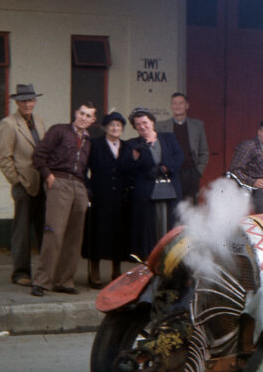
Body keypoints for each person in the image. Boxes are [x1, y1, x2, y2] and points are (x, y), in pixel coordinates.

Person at [30, 101, 97, 296]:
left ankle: (63, 280)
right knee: (54, 232)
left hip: (79, 186)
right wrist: (48, 177)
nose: (84, 118)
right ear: (76, 113)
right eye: (82, 113)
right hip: (59, 182)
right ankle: (42, 281)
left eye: (88, 116)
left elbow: (86, 168)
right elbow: (39, 154)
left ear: (92, 120)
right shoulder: (59, 130)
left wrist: (86, 191)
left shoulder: (89, 141)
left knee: (74, 236)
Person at [0, 84, 47, 287]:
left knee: (45, 229)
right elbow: (3, 158)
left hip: (42, 184)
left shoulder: (40, 121)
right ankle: (21, 272)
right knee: (22, 232)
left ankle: (45, 273)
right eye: (24, 100)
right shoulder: (8, 124)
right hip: (24, 186)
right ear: (17, 102)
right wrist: (17, 181)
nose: (28, 104)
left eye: (31, 100)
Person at [82, 111, 132, 288]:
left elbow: (130, 171)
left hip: (119, 198)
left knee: (117, 235)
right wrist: (88, 188)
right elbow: (83, 168)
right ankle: (94, 273)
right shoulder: (94, 145)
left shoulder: (127, 147)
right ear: (105, 127)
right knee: (97, 234)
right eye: (112, 125)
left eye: (119, 125)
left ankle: (116, 272)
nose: (115, 128)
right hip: (99, 196)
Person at [127, 107, 184, 259]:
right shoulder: (132, 144)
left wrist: (163, 167)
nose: (142, 126)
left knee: (171, 223)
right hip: (147, 192)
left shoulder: (168, 137)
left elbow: (179, 156)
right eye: (138, 124)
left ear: (152, 122)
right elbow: (129, 169)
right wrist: (136, 155)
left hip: (170, 189)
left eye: (145, 122)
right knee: (150, 227)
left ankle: (170, 258)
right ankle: (151, 261)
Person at [156, 92, 209, 202]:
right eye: (174, 103)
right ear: (171, 106)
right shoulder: (161, 126)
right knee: (172, 208)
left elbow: (204, 151)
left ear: (187, 106)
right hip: (171, 173)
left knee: (190, 209)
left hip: (191, 173)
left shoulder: (197, 125)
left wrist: (198, 172)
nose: (177, 106)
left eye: (181, 103)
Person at [229, 119, 263, 213]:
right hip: (256, 192)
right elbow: (234, 169)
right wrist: (252, 181)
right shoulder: (248, 146)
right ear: (259, 132)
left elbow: (260, 171)